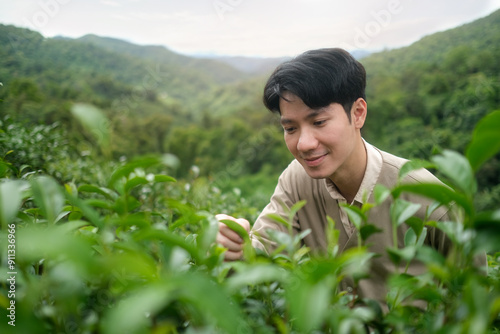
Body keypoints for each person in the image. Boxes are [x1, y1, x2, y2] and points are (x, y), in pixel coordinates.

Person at [215, 48, 469, 303]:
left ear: (358, 113)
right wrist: (233, 243)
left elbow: (477, 305)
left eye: (319, 122)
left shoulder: (433, 202)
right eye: (291, 128)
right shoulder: (296, 180)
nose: (304, 144)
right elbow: (264, 254)